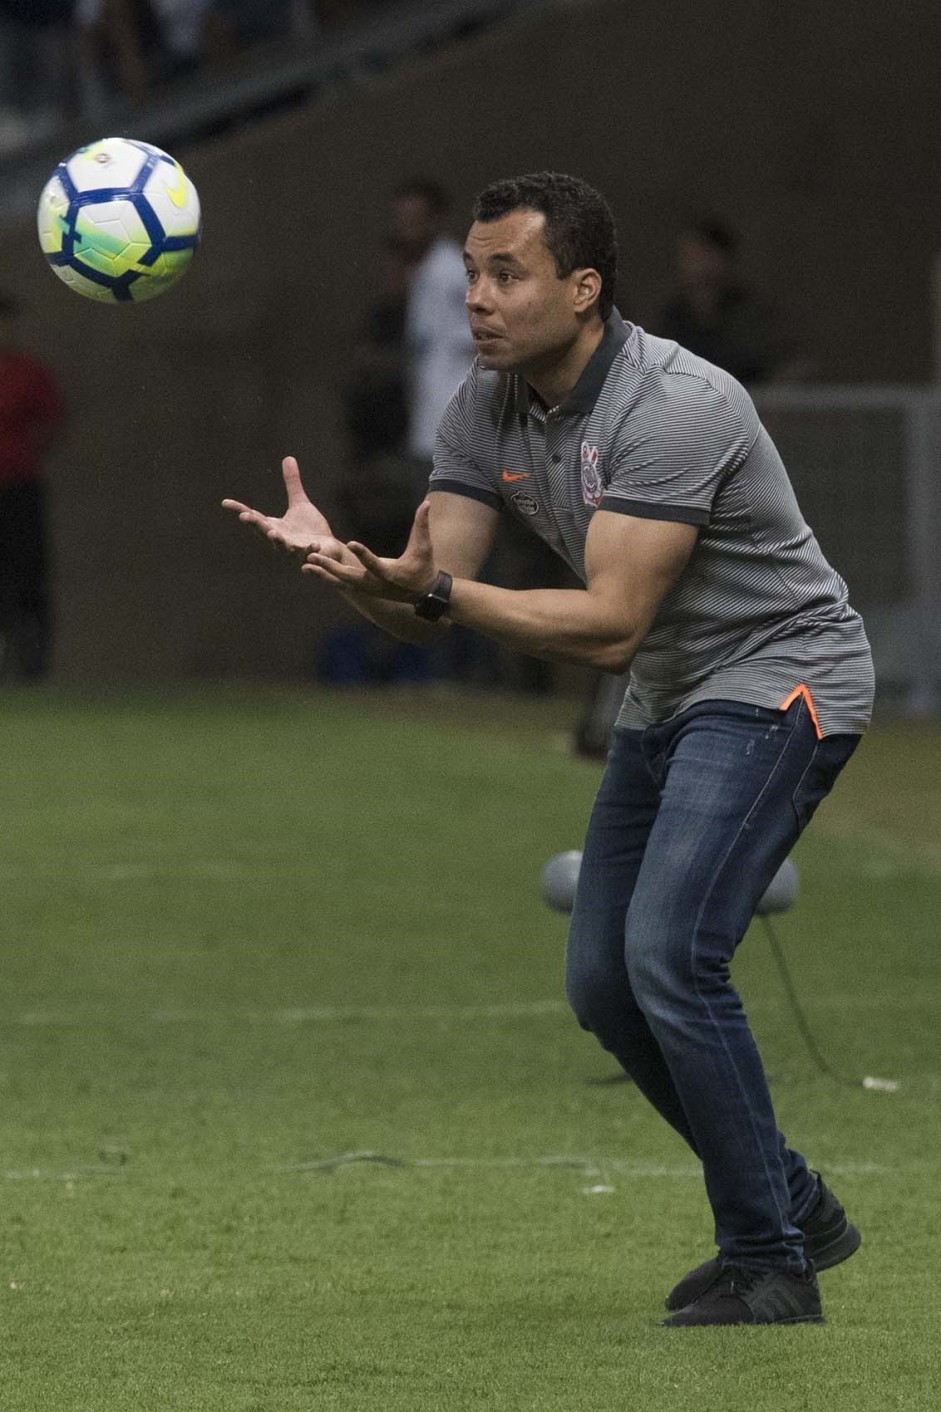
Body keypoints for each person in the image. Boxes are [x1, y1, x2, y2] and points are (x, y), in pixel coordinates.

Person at [223, 171, 875, 1327]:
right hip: (669, 691)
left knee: (671, 955)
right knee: (599, 983)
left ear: (582, 289)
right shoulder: (484, 404)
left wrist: (430, 598)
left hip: (781, 677)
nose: (476, 297)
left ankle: (769, 1260)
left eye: (504, 273)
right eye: (471, 273)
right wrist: (353, 571)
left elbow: (608, 620)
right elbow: (438, 589)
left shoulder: (676, 402)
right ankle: (796, 1205)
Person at [0, 294, 65, 681]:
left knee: (26, 578)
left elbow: (51, 423)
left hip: (19, 491)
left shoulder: (29, 372)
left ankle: (32, 671)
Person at [656, 217, 792, 386]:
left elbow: (778, 366)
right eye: (685, 255)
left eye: (698, 254)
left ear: (719, 257)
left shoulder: (750, 313)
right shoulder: (675, 316)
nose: (689, 263)